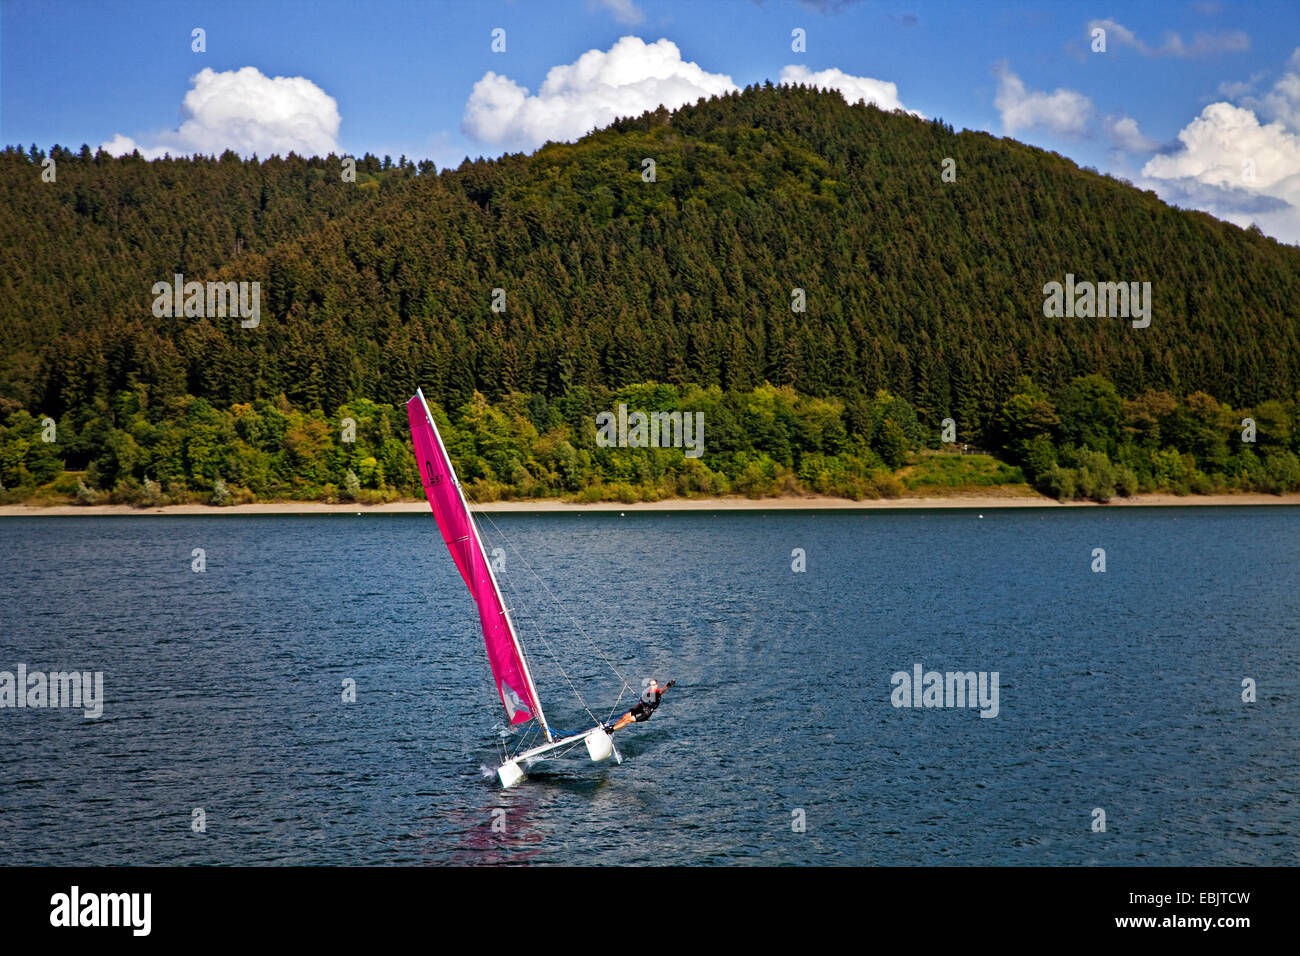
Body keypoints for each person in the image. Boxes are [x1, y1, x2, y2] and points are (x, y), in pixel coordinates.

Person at [606, 679, 675, 733]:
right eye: (650, 685)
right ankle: (614, 726)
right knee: (625, 716)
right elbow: (640, 703)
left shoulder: (657, 693)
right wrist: (633, 709)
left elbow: (662, 690)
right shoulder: (648, 693)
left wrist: (668, 685)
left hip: (645, 713)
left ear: (656, 685)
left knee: (627, 720)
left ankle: (611, 730)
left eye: (653, 685)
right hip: (640, 709)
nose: (652, 686)